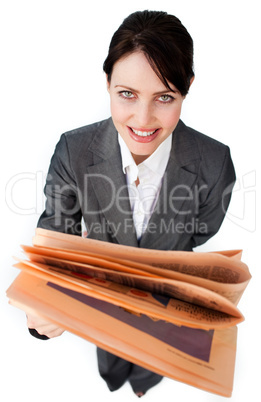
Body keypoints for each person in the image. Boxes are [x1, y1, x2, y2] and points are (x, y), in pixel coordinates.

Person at [25, 10, 236, 397]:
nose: (143, 119)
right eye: (127, 94)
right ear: (107, 83)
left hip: (165, 312)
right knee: (112, 364)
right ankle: (114, 378)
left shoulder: (214, 162)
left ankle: (146, 381)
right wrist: (42, 306)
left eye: (165, 97)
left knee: (151, 371)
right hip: (101, 308)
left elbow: (202, 230)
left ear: (187, 87)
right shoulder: (74, 151)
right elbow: (57, 229)